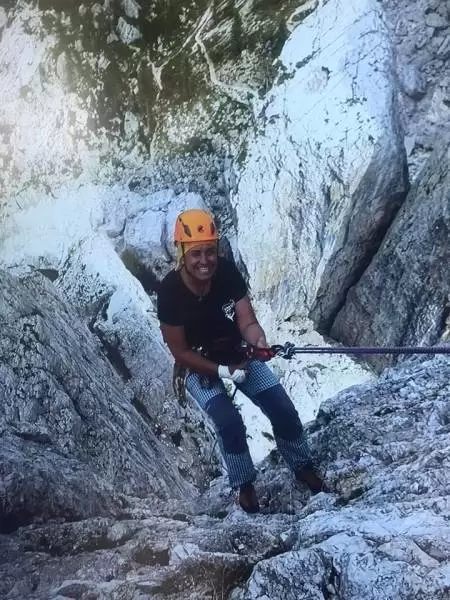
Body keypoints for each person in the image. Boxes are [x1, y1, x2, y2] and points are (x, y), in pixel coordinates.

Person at [157, 209, 326, 513]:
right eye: (196, 253)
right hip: (197, 365)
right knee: (229, 422)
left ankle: (302, 465)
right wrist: (223, 371)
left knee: (282, 409)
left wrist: (258, 340)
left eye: (210, 251)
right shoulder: (170, 292)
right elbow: (181, 353)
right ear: (182, 254)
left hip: (237, 352)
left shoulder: (226, 272)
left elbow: (246, 321)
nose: (205, 260)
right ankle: (244, 485)